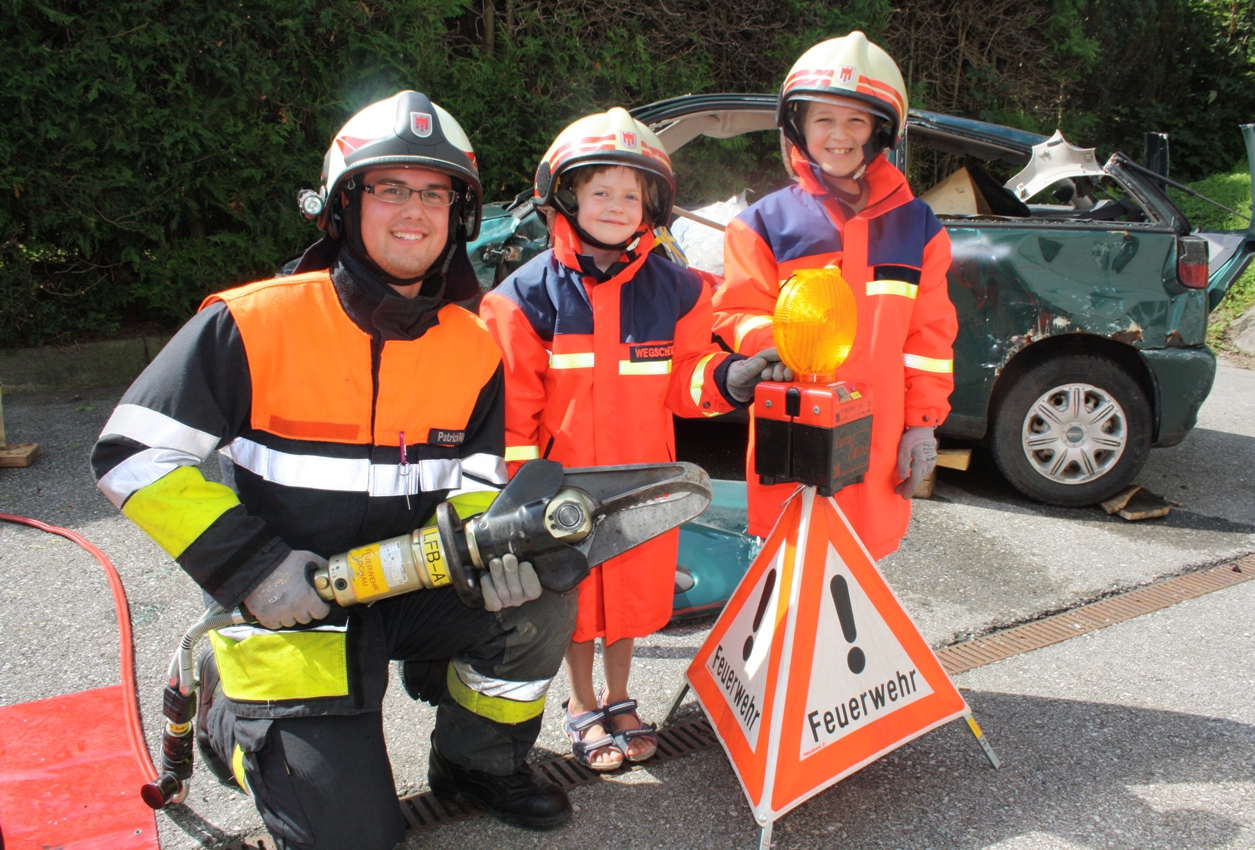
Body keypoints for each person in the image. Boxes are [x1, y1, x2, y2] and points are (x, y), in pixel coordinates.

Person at [91, 91, 576, 850]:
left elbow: (477, 483)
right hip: (293, 608)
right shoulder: (253, 322)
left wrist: (489, 555)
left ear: (459, 215)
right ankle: (227, 717)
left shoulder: (472, 345)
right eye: (389, 188)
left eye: (435, 193)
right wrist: (253, 567)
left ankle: (474, 764)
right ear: (342, 205)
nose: (414, 211)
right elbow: (130, 454)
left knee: (541, 598)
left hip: (407, 583)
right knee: (354, 840)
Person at [480, 108, 786, 771]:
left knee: (627, 600)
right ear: (564, 196)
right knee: (573, 599)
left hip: (642, 483)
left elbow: (685, 381)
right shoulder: (523, 299)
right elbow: (515, 410)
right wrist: (519, 494)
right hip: (562, 490)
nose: (616, 207)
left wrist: (730, 377)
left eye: (630, 195)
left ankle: (620, 698)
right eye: (600, 192)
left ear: (651, 206)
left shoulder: (677, 291)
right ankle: (581, 702)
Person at [712, 32, 958, 560]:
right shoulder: (762, 225)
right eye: (823, 119)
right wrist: (775, 347)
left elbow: (929, 340)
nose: (839, 135)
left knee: (858, 583)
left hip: (879, 442)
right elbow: (737, 311)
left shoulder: (919, 229)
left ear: (880, 130)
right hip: (791, 433)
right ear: (798, 126)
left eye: (855, 121)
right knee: (788, 579)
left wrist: (922, 425)